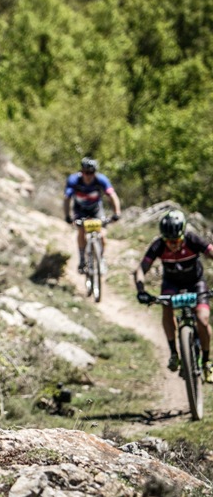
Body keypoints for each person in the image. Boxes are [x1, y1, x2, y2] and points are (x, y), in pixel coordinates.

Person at [133, 210, 213, 383]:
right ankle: (174, 354)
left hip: (196, 283)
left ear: (182, 235)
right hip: (171, 285)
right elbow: (141, 269)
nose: (172, 245)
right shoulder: (159, 245)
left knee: (202, 319)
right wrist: (141, 290)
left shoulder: (192, 240)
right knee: (166, 309)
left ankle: (207, 362)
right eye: (169, 241)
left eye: (176, 241)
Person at [63, 157, 121, 273]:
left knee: (102, 235)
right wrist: (67, 216)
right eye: (85, 172)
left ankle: (101, 259)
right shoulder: (74, 180)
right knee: (81, 231)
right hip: (80, 210)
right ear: (81, 171)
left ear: (95, 172)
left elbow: (112, 195)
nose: (88, 175)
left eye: (91, 172)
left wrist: (117, 213)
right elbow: (67, 198)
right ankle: (82, 259)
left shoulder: (101, 180)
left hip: (96, 209)